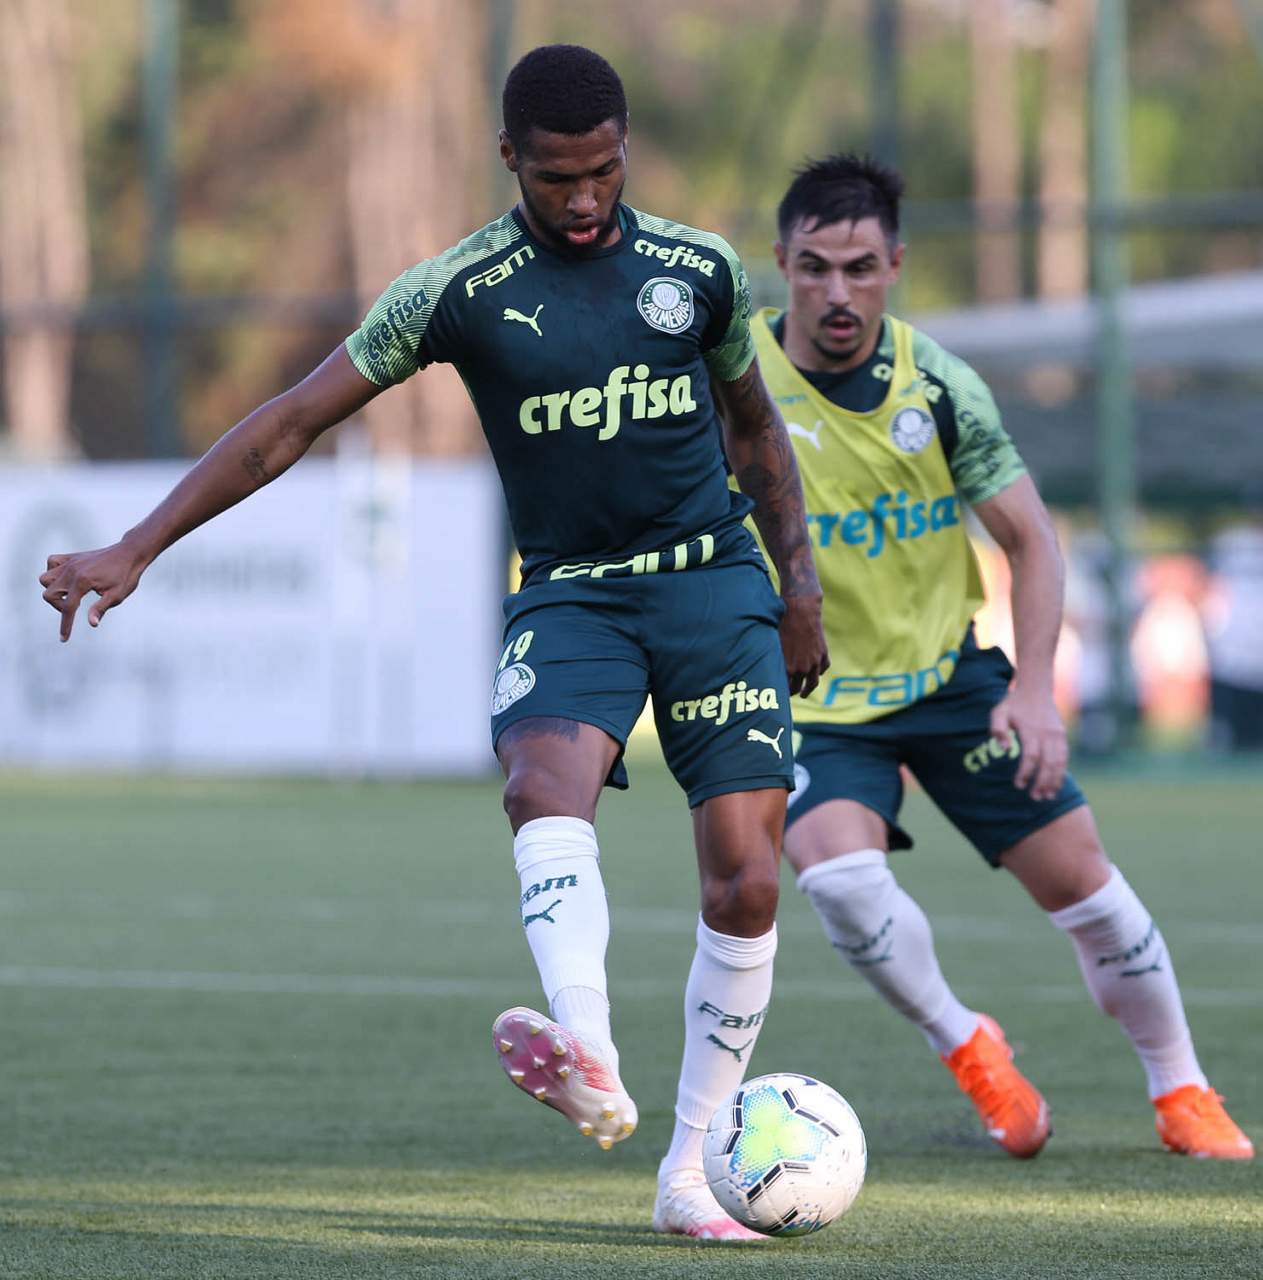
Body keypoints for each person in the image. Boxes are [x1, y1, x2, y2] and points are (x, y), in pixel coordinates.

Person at [39, 46, 830, 1238]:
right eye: (557, 177)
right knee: (538, 784)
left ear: (625, 150)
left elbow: (756, 428)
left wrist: (799, 585)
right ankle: (590, 1049)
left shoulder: (699, 269)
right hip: (573, 592)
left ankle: (687, 1171)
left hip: (713, 584)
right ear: (509, 156)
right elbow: (289, 423)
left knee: (748, 877)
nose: (584, 200)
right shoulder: (454, 289)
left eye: (604, 172)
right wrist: (140, 543)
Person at [744, 151, 1252, 1160]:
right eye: (814, 268)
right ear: (782, 263)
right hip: (813, 697)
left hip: (951, 679)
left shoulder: (939, 383)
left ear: (894, 265)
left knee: (1088, 887)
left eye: (859, 268)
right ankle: (968, 1045)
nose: (837, 292)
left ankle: (1181, 1086)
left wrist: (1034, 691)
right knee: (838, 883)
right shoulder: (735, 380)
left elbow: (1033, 540)